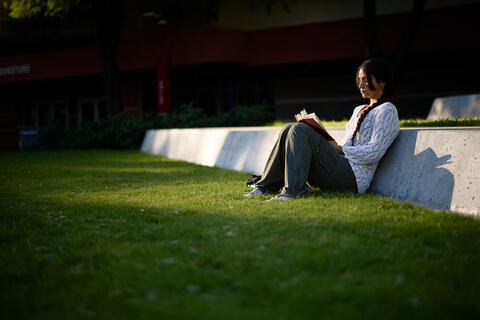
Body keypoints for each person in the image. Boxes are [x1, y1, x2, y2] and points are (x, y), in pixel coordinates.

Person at [244, 58, 400, 200]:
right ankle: (266, 186)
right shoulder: (359, 109)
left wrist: (340, 150)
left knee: (300, 130)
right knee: (289, 128)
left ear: (382, 82)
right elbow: (348, 145)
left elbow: (375, 151)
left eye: (366, 80)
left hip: (353, 179)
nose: (360, 85)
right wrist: (328, 141)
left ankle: (293, 192)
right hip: (340, 166)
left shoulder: (387, 110)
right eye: (360, 80)